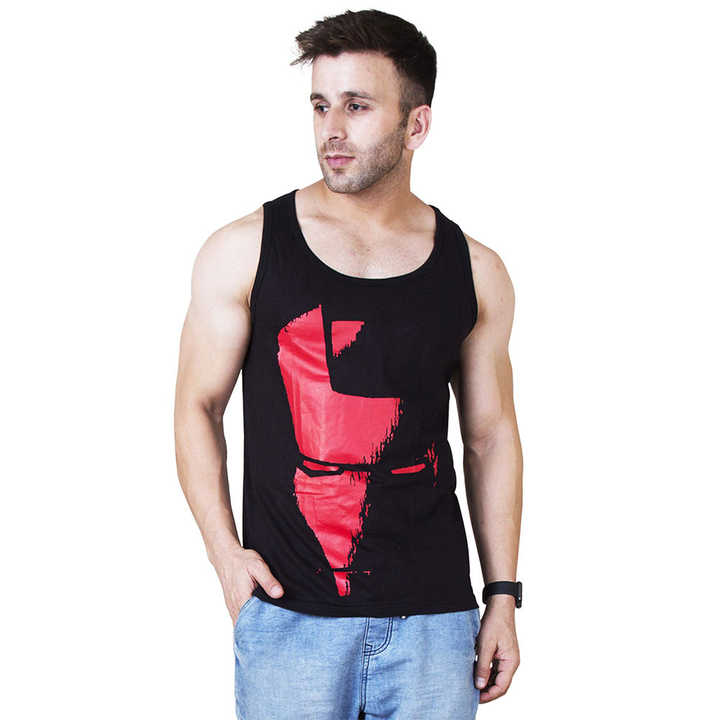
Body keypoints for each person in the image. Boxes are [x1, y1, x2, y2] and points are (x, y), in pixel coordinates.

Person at [174, 9, 522, 719]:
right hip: (288, 616)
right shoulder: (244, 250)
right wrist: (224, 555)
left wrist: (503, 597)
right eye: (320, 105)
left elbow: (490, 437)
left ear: (416, 125)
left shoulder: (475, 269)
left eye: (357, 106)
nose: (331, 129)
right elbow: (196, 407)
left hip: (434, 622)